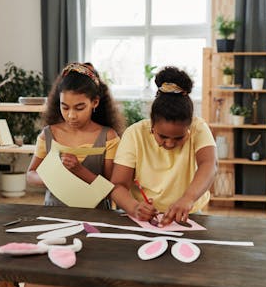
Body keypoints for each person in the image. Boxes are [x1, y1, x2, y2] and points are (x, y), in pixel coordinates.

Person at [110, 66, 217, 227]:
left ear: (189, 126)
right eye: (162, 136)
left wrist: (188, 198)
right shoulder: (135, 134)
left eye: (179, 137)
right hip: (142, 217)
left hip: (190, 213)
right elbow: (118, 186)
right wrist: (134, 207)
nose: (169, 143)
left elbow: (209, 164)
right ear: (151, 124)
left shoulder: (198, 128)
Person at [26, 62, 124, 208]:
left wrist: (79, 170)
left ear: (95, 102)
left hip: (96, 214)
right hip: (53, 213)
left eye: (79, 108)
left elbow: (111, 187)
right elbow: (30, 174)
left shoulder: (108, 137)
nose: (71, 115)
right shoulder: (48, 134)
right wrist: (53, 177)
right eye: (64, 107)